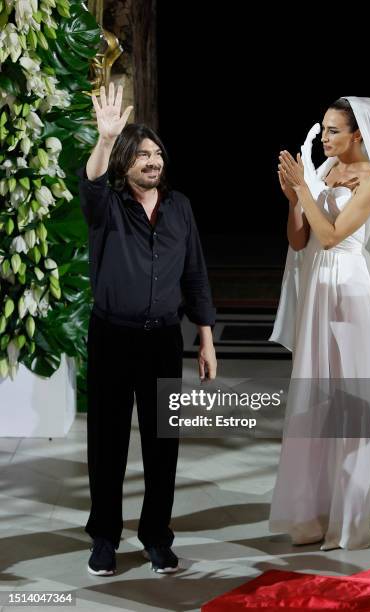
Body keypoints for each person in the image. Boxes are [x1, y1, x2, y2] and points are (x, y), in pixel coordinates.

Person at [77, 82, 217, 575]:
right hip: (113, 337)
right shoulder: (107, 205)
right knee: (108, 442)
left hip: (162, 339)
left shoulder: (180, 208)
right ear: (124, 163)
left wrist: (204, 338)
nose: (152, 161)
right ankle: (104, 540)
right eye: (140, 154)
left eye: (156, 153)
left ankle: (157, 536)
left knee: (163, 444)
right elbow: (90, 183)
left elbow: (195, 273)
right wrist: (105, 137)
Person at [269, 97, 370, 550]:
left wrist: (303, 190)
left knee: (350, 402)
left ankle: (349, 522)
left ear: (358, 135)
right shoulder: (326, 172)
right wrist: (294, 199)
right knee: (315, 396)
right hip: (318, 290)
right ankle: (312, 513)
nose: (325, 138)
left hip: (350, 289)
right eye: (324, 129)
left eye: (333, 130)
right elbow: (301, 238)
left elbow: (331, 237)